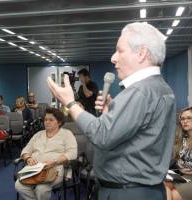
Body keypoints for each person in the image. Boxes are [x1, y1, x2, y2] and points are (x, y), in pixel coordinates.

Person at [47, 22, 176, 200]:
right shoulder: (159, 87)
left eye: (120, 50)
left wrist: (70, 103)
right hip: (142, 190)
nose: (113, 58)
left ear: (142, 53)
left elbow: (101, 136)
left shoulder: (140, 91)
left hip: (127, 193)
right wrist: (113, 114)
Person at [15, 108, 77, 200]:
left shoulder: (67, 134)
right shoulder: (38, 134)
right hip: (34, 169)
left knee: (41, 189)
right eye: (45, 120)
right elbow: (26, 149)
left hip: (55, 170)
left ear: (59, 122)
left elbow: (72, 153)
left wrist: (55, 161)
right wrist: (28, 158)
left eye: (51, 120)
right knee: (19, 186)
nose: (47, 122)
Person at [165, 106, 192, 200]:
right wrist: (180, 169)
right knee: (161, 185)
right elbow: (177, 161)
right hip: (183, 177)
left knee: (173, 195)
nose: (185, 121)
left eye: (189, 118)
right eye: (182, 119)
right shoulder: (182, 139)